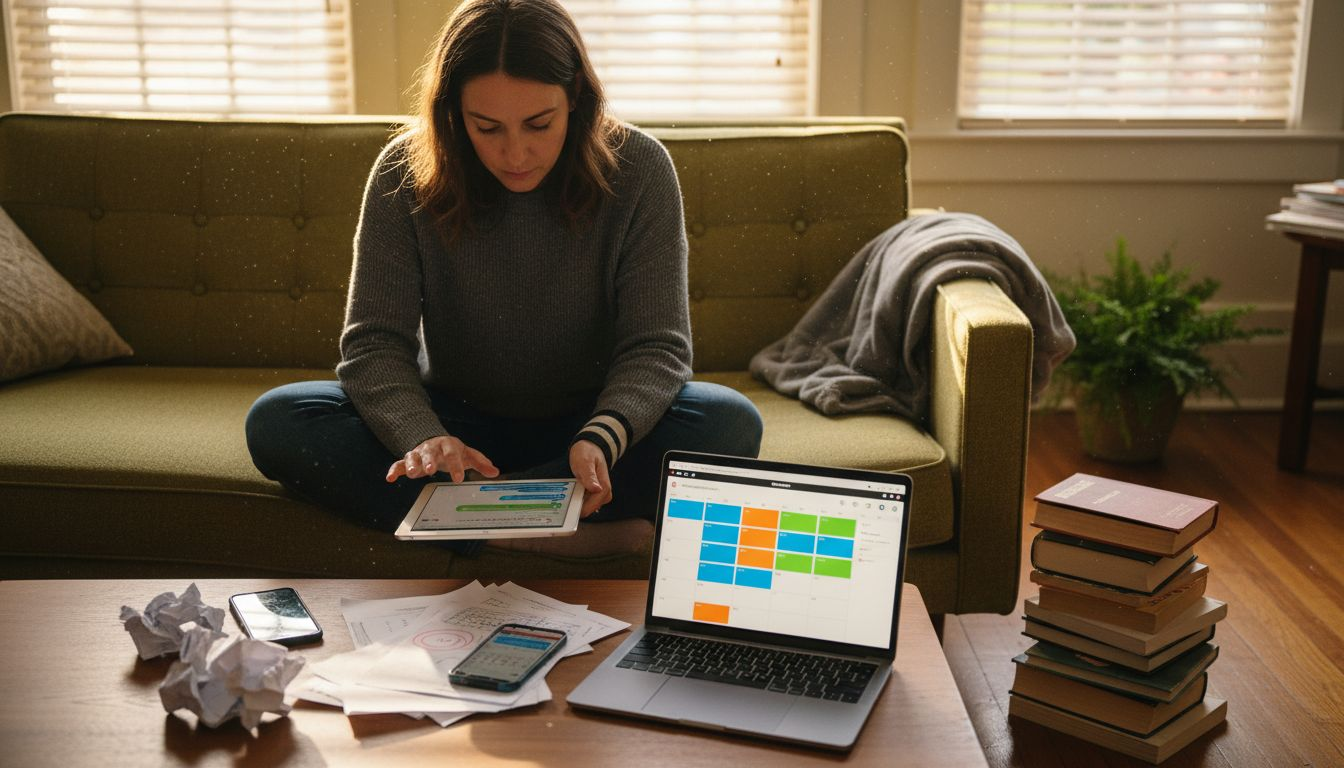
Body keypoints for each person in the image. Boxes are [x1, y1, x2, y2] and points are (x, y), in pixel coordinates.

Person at [245, 0, 763, 550]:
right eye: (486, 127)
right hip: (456, 432)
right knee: (279, 420)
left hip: (588, 431)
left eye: (539, 124)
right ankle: (537, 531)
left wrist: (602, 438)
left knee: (729, 423)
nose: (515, 153)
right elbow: (373, 345)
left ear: (576, 98)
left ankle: (468, 519)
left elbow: (657, 346)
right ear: (453, 112)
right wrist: (426, 438)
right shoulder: (403, 171)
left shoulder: (641, 169)